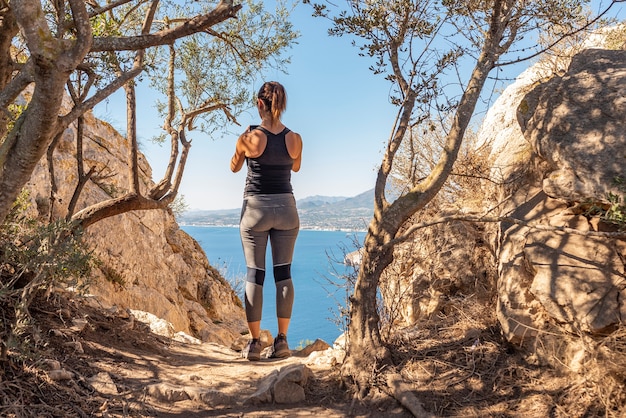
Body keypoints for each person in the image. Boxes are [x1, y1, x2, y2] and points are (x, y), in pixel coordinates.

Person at [230, 81, 303, 361]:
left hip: (255, 209)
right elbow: (295, 166)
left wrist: (242, 143)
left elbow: (234, 166)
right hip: (286, 207)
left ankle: (254, 344)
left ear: (260, 104)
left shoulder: (250, 138)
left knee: (255, 275)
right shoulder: (295, 138)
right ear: (282, 105)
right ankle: (282, 342)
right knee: (283, 274)